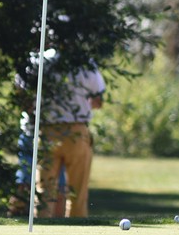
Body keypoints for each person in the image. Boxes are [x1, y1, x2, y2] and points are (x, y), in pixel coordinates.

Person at [7, 50, 106, 218]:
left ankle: (41, 228)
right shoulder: (85, 63)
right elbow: (98, 101)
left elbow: (21, 94)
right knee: (77, 194)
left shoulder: (38, 61)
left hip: (46, 132)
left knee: (44, 193)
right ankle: (78, 228)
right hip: (77, 132)